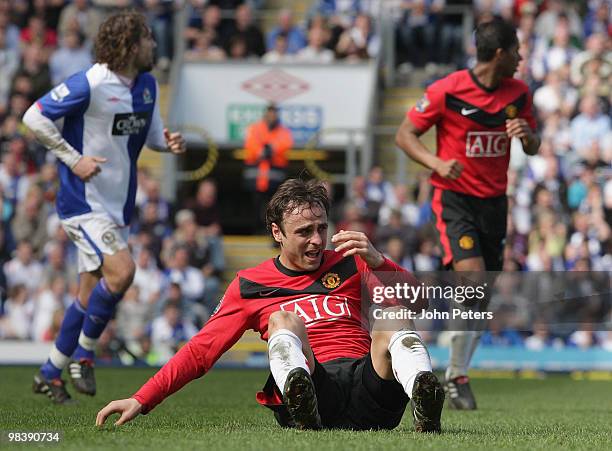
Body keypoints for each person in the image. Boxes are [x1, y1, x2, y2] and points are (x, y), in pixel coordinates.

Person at [96, 178, 445, 432]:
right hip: (317, 384)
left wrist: (380, 261)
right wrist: (142, 399)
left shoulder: (351, 261)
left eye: (321, 228)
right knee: (283, 320)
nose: (316, 240)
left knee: (395, 315)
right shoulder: (250, 284)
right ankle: (301, 399)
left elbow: (418, 303)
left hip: (368, 390)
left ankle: (425, 402)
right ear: (277, 232)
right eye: (304, 231)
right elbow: (202, 350)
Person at [23, 11, 186, 404]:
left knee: (89, 292)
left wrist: (167, 142)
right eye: (147, 37)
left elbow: (149, 135)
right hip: (84, 201)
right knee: (123, 271)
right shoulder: (92, 83)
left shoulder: (146, 84)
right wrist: (71, 157)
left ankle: (49, 374)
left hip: (118, 205)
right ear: (130, 45)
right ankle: (84, 354)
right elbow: (33, 117)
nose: (153, 44)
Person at [395, 17, 540, 410]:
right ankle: (454, 375)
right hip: (454, 198)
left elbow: (534, 145)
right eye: (516, 51)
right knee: (473, 280)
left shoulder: (519, 93)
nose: (521, 58)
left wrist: (528, 137)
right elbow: (404, 135)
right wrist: (436, 164)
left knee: (480, 296)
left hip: (495, 203)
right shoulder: (447, 90)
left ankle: (455, 373)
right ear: (499, 54)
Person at [243, 103, 293, 232]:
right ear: (266, 114)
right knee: (255, 205)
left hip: (275, 179)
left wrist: (271, 148)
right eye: (270, 113)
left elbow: (285, 143)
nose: (272, 116)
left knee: (275, 205)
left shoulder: (283, 131)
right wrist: (260, 151)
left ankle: (269, 231)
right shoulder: (255, 129)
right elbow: (250, 143)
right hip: (255, 179)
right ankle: (256, 230)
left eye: (274, 113)